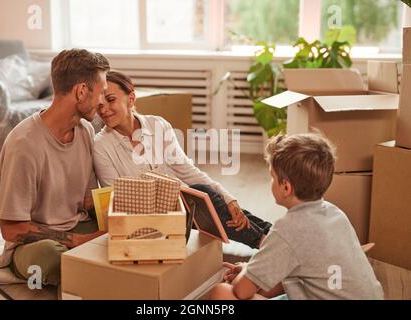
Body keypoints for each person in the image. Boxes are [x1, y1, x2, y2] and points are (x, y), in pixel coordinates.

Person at [93, 70, 271, 249]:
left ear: (131, 98)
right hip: (146, 219)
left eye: (110, 100)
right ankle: (266, 242)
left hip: (180, 203)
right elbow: (117, 199)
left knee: (212, 198)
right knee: (204, 197)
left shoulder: (158, 125)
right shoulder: (100, 145)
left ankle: (271, 235)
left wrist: (229, 198)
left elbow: (188, 171)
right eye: (99, 105)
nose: (104, 110)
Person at [209, 133, 384, 300]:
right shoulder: (335, 213)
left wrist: (247, 273)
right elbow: (300, 268)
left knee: (221, 293)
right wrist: (251, 270)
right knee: (271, 282)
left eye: (272, 176)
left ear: (286, 187)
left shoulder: (287, 229)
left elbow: (241, 291)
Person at [0, 49, 110, 287]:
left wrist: (121, 215)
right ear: (81, 91)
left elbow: (88, 200)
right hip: (35, 244)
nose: (102, 103)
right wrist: (77, 240)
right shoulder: (24, 144)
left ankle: (91, 273)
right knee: (50, 256)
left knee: (125, 236)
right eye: (101, 93)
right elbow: (10, 228)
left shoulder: (85, 130)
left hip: (78, 225)